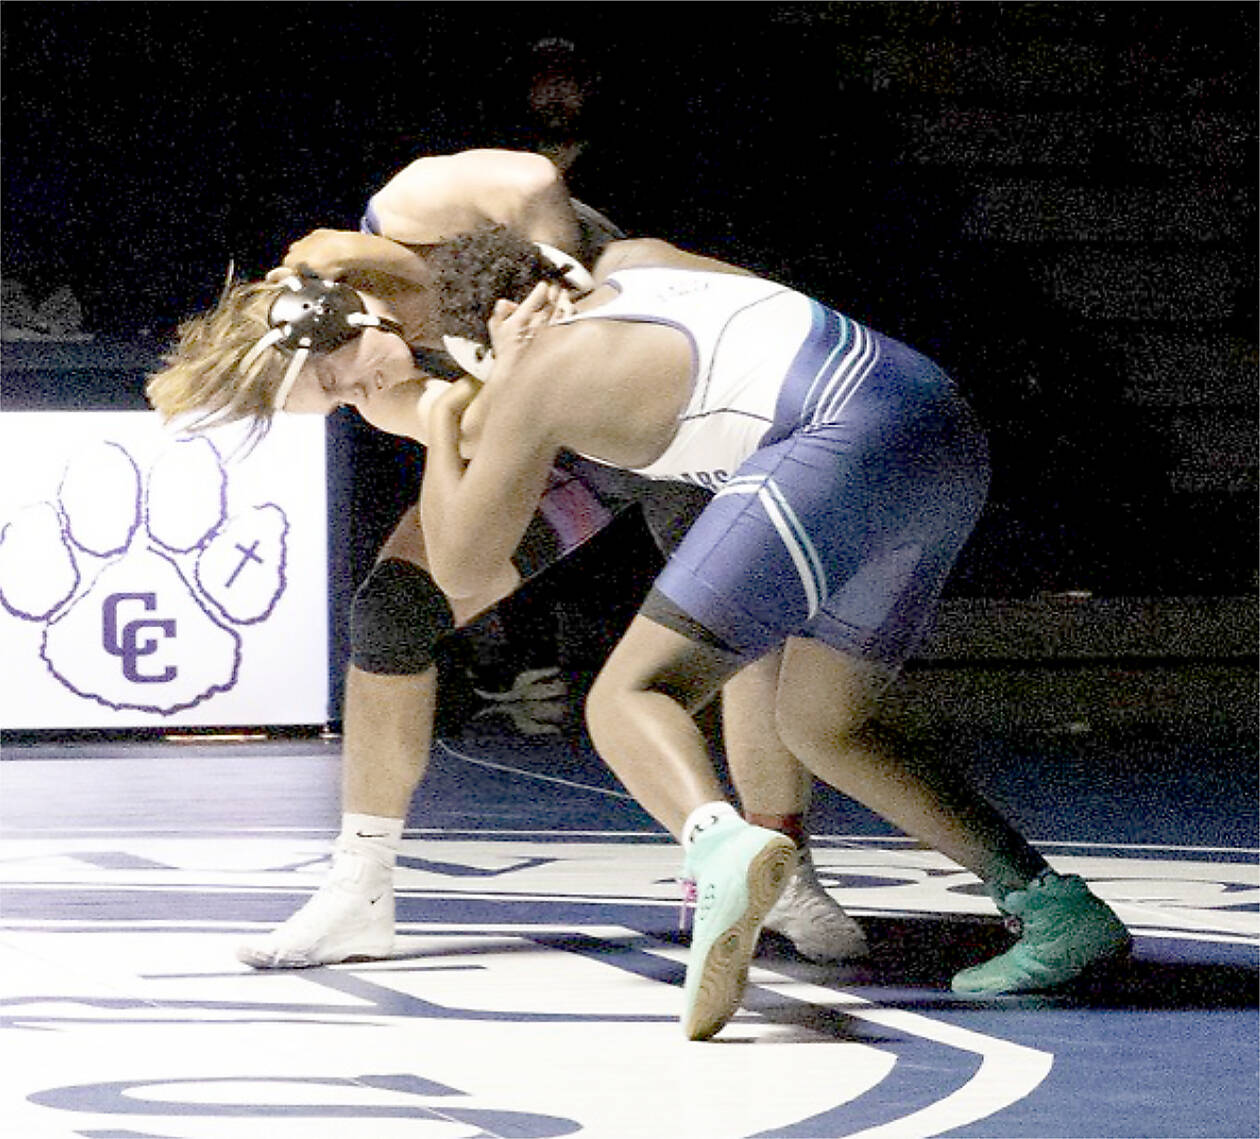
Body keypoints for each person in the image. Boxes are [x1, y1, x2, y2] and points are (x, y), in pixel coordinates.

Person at [400, 225, 1132, 1040]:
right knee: (823, 724)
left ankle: (719, 848)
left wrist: (443, 424)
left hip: (835, 439)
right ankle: (1058, 909)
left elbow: (464, 570)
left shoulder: (538, 370)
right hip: (939, 425)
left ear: (494, 327)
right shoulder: (643, 258)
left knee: (628, 696)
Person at [146, 149, 867, 969]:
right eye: (340, 403)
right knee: (391, 613)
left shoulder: (409, 206)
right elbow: (478, 456)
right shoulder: (385, 391)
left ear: (332, 313)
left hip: (663, 385)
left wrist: (560, 272)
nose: (359, 398)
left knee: (748, 624)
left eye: (340, 381)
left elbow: (530, 180)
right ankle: (358, 891)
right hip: (558, 436)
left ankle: (785, 868)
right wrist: (498, 381)